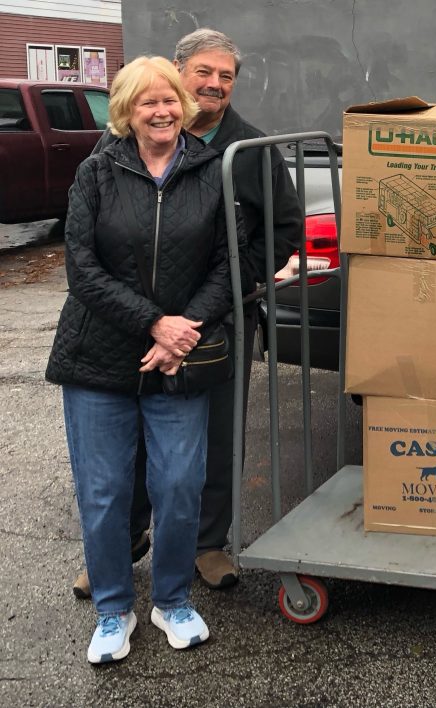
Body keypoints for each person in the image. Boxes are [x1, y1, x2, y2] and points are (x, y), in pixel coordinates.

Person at [72, 28, 303, 598]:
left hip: (217, 319)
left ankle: (206, 542)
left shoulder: (249, 150)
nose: (214, 84)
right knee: (126, 440)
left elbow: (282, 231)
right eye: (204, 72)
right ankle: (120, 546)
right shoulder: (115, 146)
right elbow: (92, 240)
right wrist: (143, 313)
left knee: (215, 435)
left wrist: (224, 291)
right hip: (132, 321)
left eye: (226, 76)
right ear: (177, 73)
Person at [46, 55, 232, 663]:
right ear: (126, 110)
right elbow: (82, 268)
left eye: (171, 99)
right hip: (97, 358)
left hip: (180, 360)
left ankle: (172, 600)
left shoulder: (212, 172)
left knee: (179, 486)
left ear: (186, 105)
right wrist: (154, 321)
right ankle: (113, 609)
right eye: (148, 102)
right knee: (103, 491)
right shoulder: (96, 172)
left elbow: (232, 263)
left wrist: (182, 334)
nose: (163, 111)